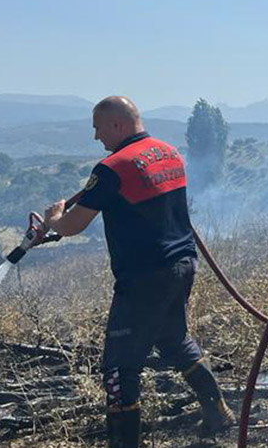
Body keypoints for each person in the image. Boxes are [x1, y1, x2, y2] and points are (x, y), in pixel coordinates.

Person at [40, 96, 233, 448]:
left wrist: (53, 219)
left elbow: (73, 225)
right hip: (182, 264)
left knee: (119, 368)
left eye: (98, 128)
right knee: (174, 340)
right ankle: (218, 413)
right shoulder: (168, 152)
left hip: (145, 277)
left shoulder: (112, 167)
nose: (96, 137)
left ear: (117, 124)